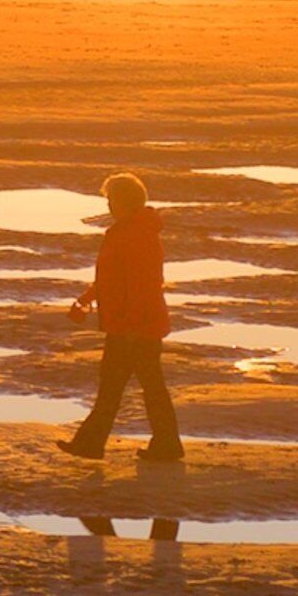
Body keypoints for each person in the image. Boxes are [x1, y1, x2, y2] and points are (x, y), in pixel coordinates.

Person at [65, 170, 181, 461]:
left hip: (136, 328)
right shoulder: (127, 232)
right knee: (130, 386)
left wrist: (132, 325)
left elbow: (143, 285)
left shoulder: (137, 234)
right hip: (130, 325)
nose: (108, 206)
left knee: (127, 387)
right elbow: (112, 278)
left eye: (111, 200)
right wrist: (86, 300)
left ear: (126, 202)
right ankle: (162, 445)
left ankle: (92, 444)